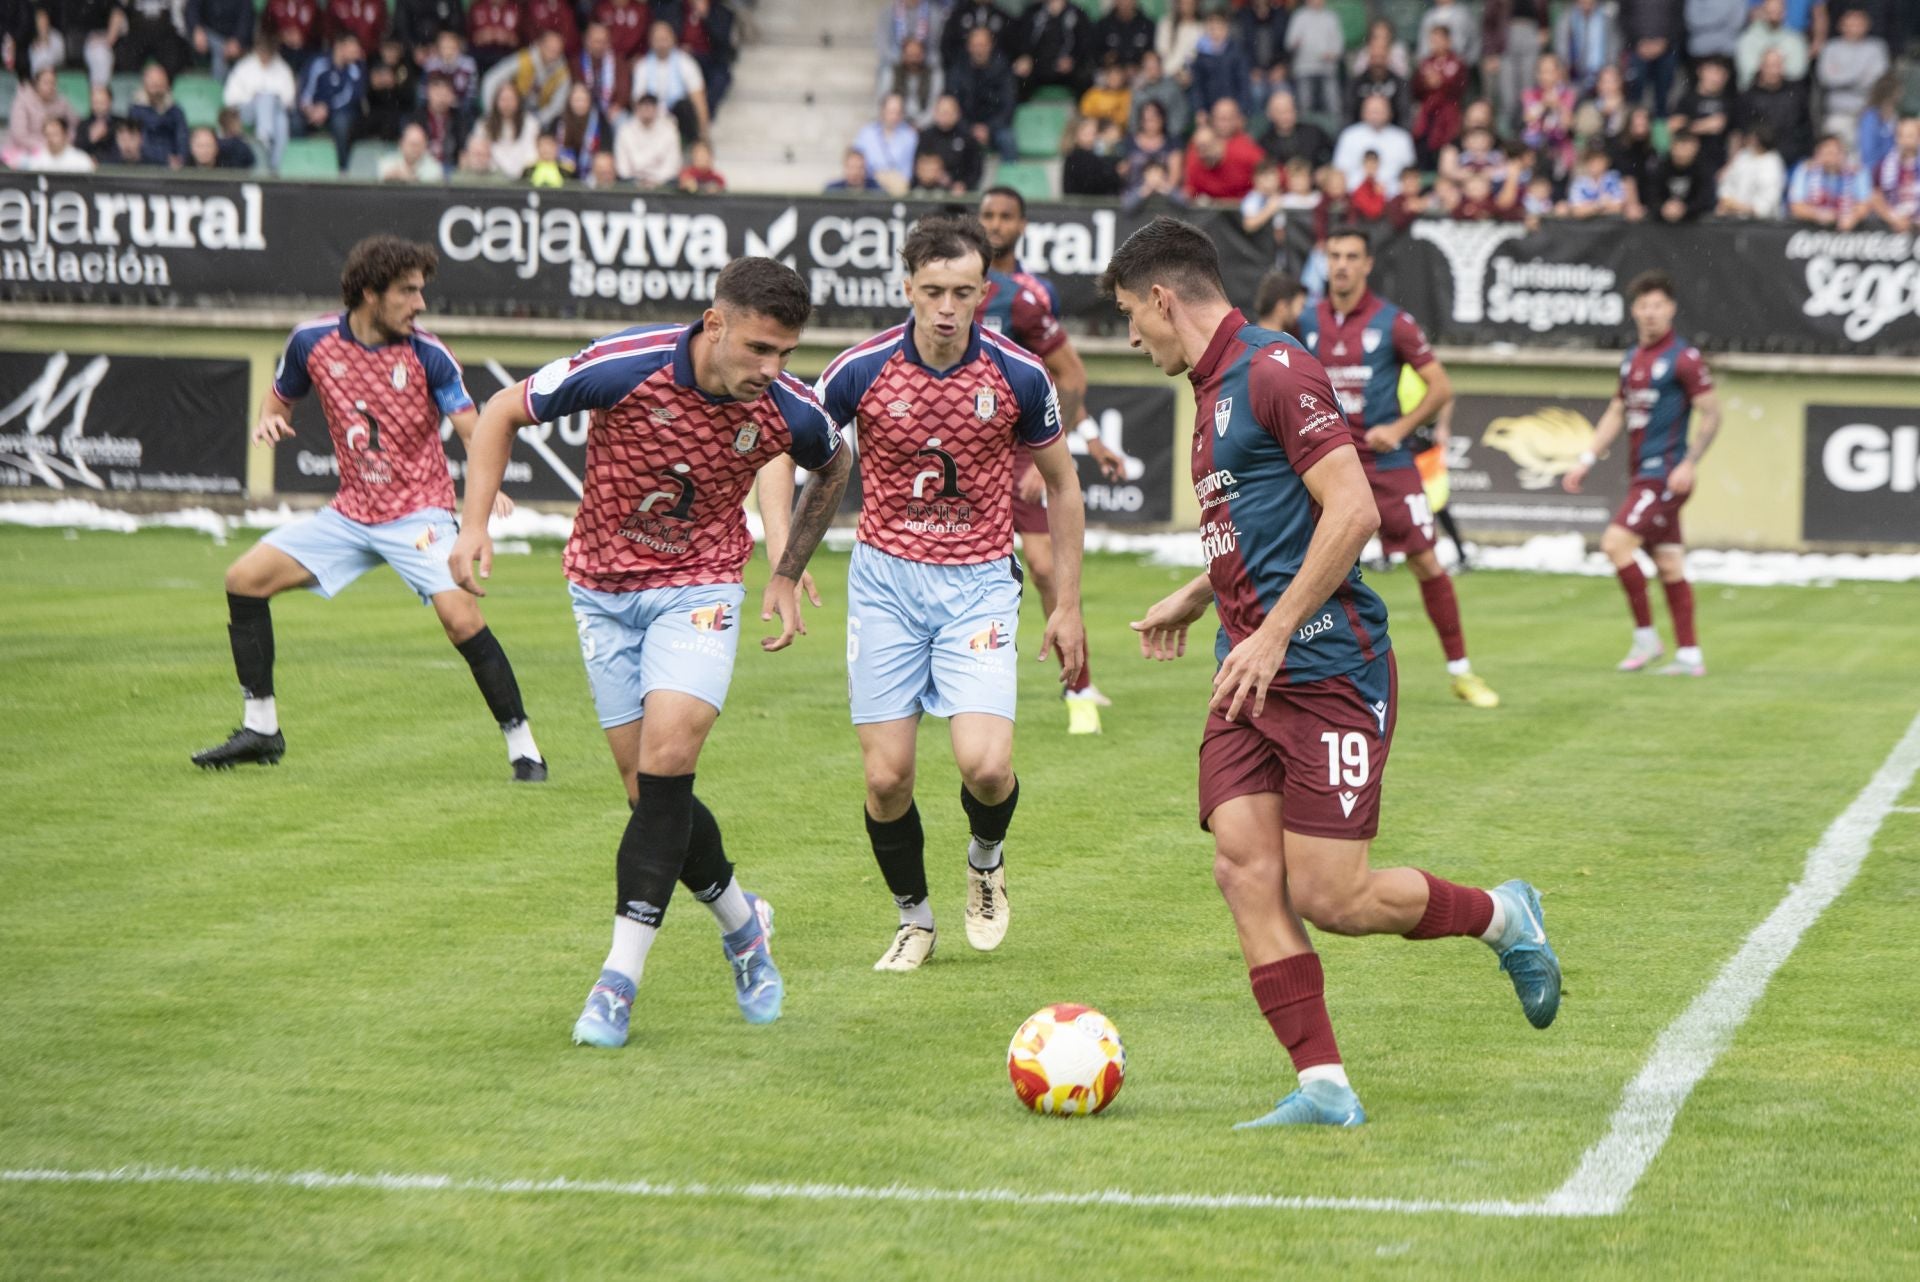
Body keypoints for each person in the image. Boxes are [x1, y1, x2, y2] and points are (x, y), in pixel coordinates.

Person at [1108, 216, 1559, 1129]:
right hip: (1251, 675)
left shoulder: (1273, 368)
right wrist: (1201, 595)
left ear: (1162, 299)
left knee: (1333, 897)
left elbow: (1351, 511)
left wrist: (1271, 634)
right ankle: (1325, 1087)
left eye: (1128, 315)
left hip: (1330, 670)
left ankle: (1504, 917)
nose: (1129, 336)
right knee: (1243, 869)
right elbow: (1272, 526)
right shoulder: (1210, 389)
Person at [449, 258, 852, 1048]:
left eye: (786, 354)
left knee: (671, 757)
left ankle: (616, 981)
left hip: (699, 589)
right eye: (759, 350)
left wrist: (787, 566)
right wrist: (472, 526)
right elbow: (499, 410)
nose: (771, 370)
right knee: (649, 796)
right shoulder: (624, 367)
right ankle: (742, 926)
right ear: (715, 323)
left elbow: (836, 461)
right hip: (600, 592)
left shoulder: (786, 409)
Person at [816, 215, 1085, 971]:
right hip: (885, 585)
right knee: (886, 776)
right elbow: (792, 445)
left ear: (983, 293)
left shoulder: (1019, 374)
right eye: (931, 290)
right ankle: (914, 919)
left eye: (961, 292)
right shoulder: (859, 369)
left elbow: (1064, 487)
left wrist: (1066, 605)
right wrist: (785, 553)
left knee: (987, 768)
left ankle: (986, 857)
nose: (944, 306)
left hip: (977, 587)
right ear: (907, 287)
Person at [193, 237, 547, 783]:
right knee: (243, 580)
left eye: (421, 291)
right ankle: (261, 728)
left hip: (420, 515)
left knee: (461, 619)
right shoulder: (311, 341)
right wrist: (269, 418)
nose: (420, 304)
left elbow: (478, 430)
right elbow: (280, 396)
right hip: (350, 514)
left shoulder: (429, 354)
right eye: (408, 292)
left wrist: (486, 486)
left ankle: (524, 748)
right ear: (369, 293)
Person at [1296, 226, 1498, 709]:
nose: (1342, 264)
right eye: (1335, 256)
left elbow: (1440, 388)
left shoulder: (1394, 323)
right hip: (1329, 465)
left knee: (1427, 561)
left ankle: (1461, 672)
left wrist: (1401, 428)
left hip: (1386, 463)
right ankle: (1314, 672)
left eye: (1352, 256)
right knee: (1314, 566)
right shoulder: (1305, 321)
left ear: (1367, 265)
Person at [976, 187, 1123, 732]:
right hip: (966, 450)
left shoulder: (1030, 296)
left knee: (1043, 567)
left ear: (1022, 224)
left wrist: (1062, 448)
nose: (995, 223)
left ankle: (1079, 683)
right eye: (987, 214)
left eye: (1005, 216)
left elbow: (1056, 378)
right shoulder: (952, 291)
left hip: (1019, 448)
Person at [1562, 272, 1721, 677]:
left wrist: (1690, 462)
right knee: (1668, 564)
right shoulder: (1632, 357)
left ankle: (1646, 637)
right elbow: (1617, 411)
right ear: (1634, 311)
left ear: (1670, 309)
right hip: (1642, 476)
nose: (1650, 313)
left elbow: (1712, 412)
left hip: (1667, 476)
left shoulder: (1684, 358)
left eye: (1658, 306)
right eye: (1643, 306)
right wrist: (1586, 458)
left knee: (1615, 544)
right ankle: (1690, 656)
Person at [225, 30, 297, 172]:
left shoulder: (282, 68)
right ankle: (265, 142)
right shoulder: (244, 67)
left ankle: (273, 163)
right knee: (264, 99)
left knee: (281, 120)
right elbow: (229, 97)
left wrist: (270, 98)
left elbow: (289, 99)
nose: (265, 56)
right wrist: (254, 97)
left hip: (274, 112)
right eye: (262, 51)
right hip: (246, 112)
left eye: (268, 52)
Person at [297, 30, 367, 167]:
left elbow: (350, 97)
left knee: (341, 123)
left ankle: (343, 168)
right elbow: (305, 92)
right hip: (313, 111)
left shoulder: (357, 68)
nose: (357, 51)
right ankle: (299, 164)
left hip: (340, 112)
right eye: (353, 46)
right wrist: (309, 109)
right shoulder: (318, 62)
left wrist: (327, 108)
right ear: (340, 46)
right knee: (295, 121)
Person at [951, 23, 1019, 163]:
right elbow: (953, 103)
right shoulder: (958, 70)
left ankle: (1008, 182)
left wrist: (988, 127)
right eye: (975, 45)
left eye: (983, 45)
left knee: (1008, 140)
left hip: (996, 126)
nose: (979, 50)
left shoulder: (1003, 69)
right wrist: (969, 128)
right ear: (969, 47)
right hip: (965, 124)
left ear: (990, 46)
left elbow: (1009, 105)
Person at [635, 19, 709, 143]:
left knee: (684, 107)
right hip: (653, 117)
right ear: (651, 41)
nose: (661, 43)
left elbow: (698, 98)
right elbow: (637, 100)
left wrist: (703, 133)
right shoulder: (642, 66)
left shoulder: (686, 62)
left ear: (673, 39)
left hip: (679, 118)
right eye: (658, 39)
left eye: (665, 39)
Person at [1332, 95, 1416, 197]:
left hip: (1393, 196)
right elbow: (1340, 171)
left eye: (1380, 110)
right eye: (1372, 110)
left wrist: (1385, 189)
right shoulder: (1349, 136)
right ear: (1363, 112)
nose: (1376, 114)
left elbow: (1409, 175)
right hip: (1355, 196)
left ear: (1390, 112)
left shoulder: (1402, 138)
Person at [1787, 133, 1869, 228]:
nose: (1833, 158)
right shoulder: (1805, 170)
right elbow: (1796, 207)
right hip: (1810, 230)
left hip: (1848, 231)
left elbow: (1864, 205)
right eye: (1828, 153)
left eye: (1837, 153)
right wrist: (1820, 215)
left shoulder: (1857, 172)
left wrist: (1853, 216)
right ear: (1817, 154)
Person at [854, 92, 919, 195]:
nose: (894, 116)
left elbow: (908, 170)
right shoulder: (866, 133)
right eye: (891, 111)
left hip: (898, 189)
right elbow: (857, 161)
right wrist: (878, 177)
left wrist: (894, 179)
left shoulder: (910, 136)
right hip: (869, 186)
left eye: (898, 112)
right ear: (882, 110)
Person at [614, 92, 682, 187]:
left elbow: (672, 165)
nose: (647, 109)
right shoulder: (625, 131)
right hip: (632, 183)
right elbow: (622, 167)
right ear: (637, 108)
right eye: (644, 106)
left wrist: (656, 181)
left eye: (651, 106)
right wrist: (638, 181)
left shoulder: (669, 130)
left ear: (657, 109)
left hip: (663, 183)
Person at [920, 92, 984, 192]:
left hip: (959, 194)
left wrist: (964, 184)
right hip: (927, 191)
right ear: (935, 113)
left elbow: (975, 169)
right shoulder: (925, 137)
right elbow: (918, 166)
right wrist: (931, 176)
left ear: (957, 114)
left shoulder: (968, 138)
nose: (945, 116)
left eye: (948, 112)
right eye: (942, 112)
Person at [1869, 115, 1920, 232]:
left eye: (1911, 135)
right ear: (1897, 138)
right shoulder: (1883, 165)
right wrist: (1893, 218)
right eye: (1903, 135)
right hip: (1892, 228)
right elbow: (1875, 196)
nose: (1907, 140)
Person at [24, 116, 97, 172]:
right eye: (47, 135)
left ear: (65, 135)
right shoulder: (37, 160)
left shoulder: (81, 159)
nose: (51, 139)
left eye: (55, 134)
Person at [1253, 268, 1306, 336]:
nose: (1301, 314)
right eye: (1301, 306)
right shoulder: (1287, 344)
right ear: (1282, 307)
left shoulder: (1244, 339)